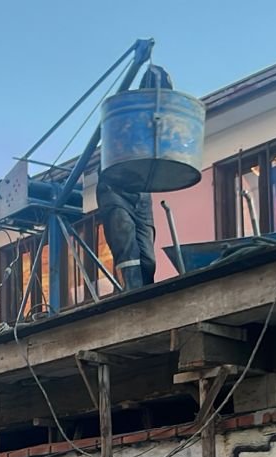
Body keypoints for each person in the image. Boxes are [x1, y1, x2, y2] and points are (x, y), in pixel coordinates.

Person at [98, 64, 173, 291]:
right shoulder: (129, 111)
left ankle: (146, 292)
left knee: (147, 255)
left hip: (141, 189)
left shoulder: (160, 121)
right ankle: (132, 292)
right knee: (126, 241)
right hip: (115, 185)